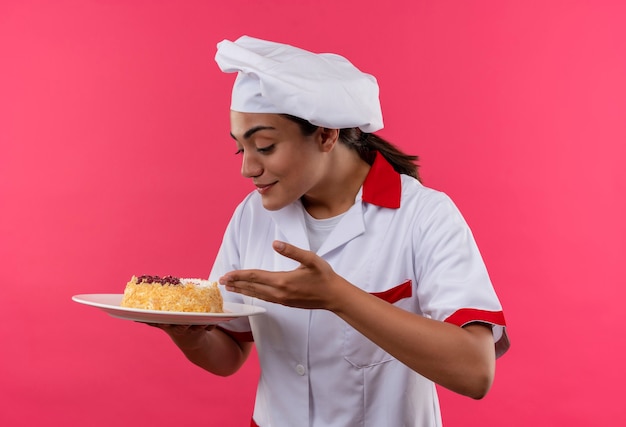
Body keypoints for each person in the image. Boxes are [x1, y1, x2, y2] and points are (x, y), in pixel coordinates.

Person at [154, 35, 509, 427]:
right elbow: (229, 352)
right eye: (242, 149)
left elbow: (476, 372)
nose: (247, 168)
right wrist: (187, 332)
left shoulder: (424, 215)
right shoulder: (252, 216)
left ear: (326, 134)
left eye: (265, 146)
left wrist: (337, 297)